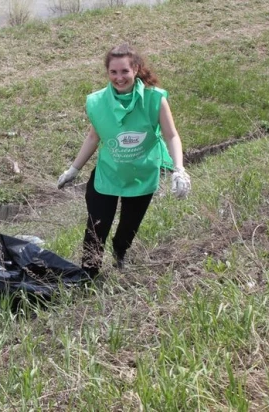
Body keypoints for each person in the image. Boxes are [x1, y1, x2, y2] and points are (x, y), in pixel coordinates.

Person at [57, 43, 191, 279]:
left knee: (127, 229)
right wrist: (73, 169)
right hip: (107, 176)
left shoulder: (155, 99)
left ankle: (120, 256)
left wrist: (178, 169)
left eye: (124, 71)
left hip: (141, 175)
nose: (119, 78)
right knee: (97, 228)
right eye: (113, 72)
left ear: (136, 69)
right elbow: (93, 136)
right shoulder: (98, 102)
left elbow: (171, 135)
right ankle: (88, 275)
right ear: (107, 73)